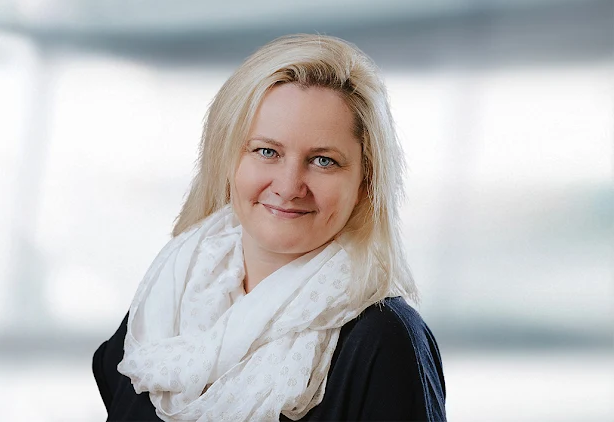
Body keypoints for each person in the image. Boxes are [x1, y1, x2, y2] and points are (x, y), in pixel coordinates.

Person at [92, 33, 446, 421]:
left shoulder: (386, 340)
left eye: (324, 161)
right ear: (227, 160)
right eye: (267, 151)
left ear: (365, 183)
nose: (289, 187)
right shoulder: (167, 297)